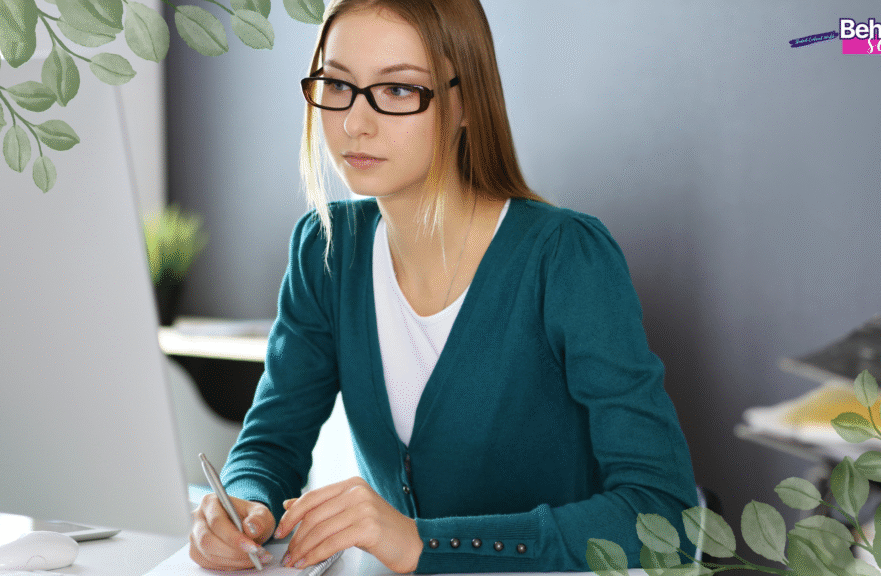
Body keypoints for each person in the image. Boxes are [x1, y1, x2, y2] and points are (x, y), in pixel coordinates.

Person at [189, 0, 698, 572]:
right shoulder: (326, 249)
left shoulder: (565, 257)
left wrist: (422, 542)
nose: (356, 122)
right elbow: (270, 442)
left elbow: (666, 519)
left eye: (400, 90)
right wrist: (244, 502)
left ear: (464, 103)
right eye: (337, 83)